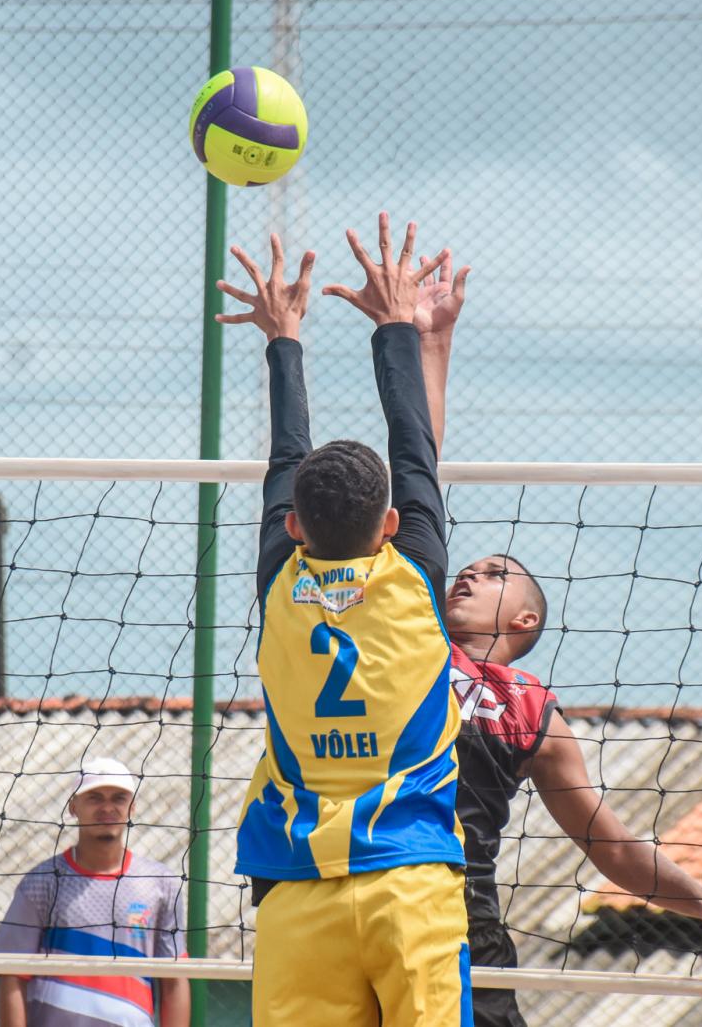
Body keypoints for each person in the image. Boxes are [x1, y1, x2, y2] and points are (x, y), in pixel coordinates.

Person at [409, 255, 702, 1027]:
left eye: (494, 573)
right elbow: (422, 470)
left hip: (465, 919)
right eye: (468, 567)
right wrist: (432, 345)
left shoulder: (534, 711)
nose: (468, 576)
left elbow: (612, 848)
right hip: (367, 894)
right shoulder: (409, 632)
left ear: (525, 621)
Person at [215, 214, 471, 1026]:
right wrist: (399, 327)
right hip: (411, 888)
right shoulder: (415, 582)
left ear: (291, 525)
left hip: (301, 894)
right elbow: (414, 445)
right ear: (391, 526)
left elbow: (286, 456)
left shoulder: (280, 590)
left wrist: (282, 336)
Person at [0, 757, 190, 1027]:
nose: (108, 807)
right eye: (95, 798)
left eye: (119, 798)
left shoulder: (160, 884)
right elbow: (12, 976)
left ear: (132, 807)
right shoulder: (42, 883)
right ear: (74, 807)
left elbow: (174, 980)